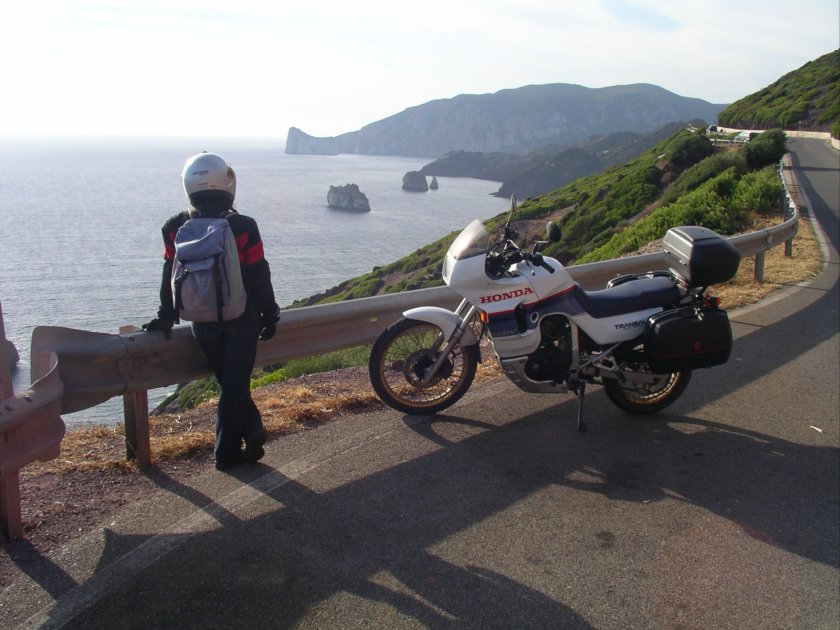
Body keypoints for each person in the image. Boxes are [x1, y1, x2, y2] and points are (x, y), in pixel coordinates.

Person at [144, 152, 280, 471]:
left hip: (201, 319)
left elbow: (169, 273)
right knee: (235, 383)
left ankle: (252, 428)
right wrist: (270, 312)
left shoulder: (174, 227)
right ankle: (226, 453)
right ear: (228, 183)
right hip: (243, 317)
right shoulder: (244, 226)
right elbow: (258, 272)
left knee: (230, 382)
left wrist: (166, 315)